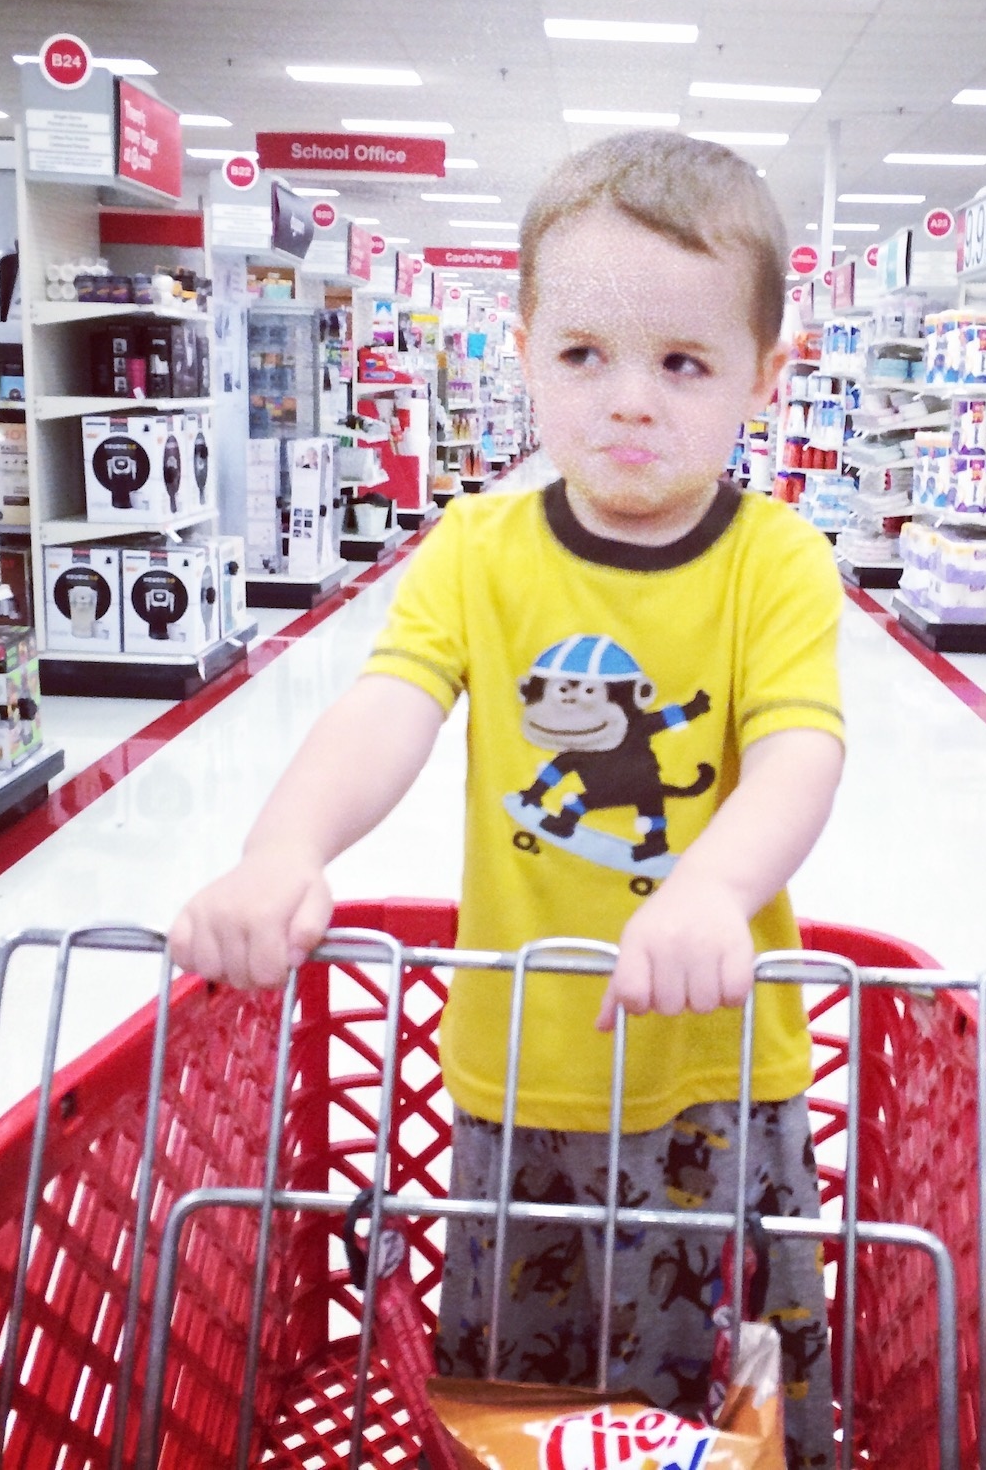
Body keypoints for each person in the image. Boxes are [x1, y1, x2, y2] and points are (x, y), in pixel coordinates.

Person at [171, 130, 845, 1468]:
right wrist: (284, 850)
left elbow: (799, 751)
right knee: (519, 1411)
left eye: (685, 364)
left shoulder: (777, 558)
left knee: (727, 1398)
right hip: (519, 1058)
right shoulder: (477, 549)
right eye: (585, 355)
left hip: (717, 1066)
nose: (630, 401)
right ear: (525, 350)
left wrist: (712, 885)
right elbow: (388, 707)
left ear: (766, 378)